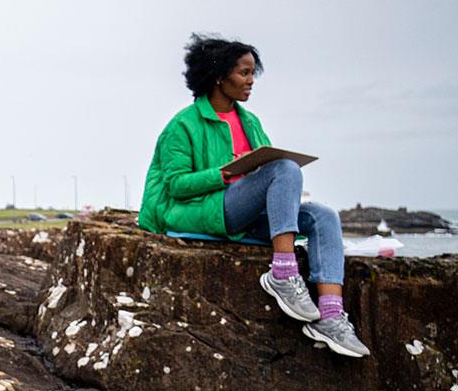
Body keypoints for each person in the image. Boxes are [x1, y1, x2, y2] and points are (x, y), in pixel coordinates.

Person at [138, 34, 367, 357]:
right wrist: (225, 174)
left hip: (243, 213)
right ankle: (284, 274)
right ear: (219, 77)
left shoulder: (250, 122)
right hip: (205, 209)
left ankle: (330, 316)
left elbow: (269, 173)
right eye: (243, 73)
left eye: (252, 73)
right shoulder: (183, 125)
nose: (250, 81)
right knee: (285, 168)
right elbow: (176, 185)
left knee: (322, 215)